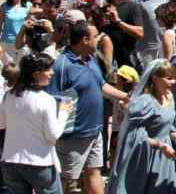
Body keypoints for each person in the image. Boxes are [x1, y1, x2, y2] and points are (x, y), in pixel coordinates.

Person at [49, 21, 130, 194]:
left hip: (95, 131)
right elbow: (52, 99)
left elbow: (101, 85)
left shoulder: (91, 59)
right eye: (95, 37)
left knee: (94, 172)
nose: (99, 40)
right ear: (85, 40)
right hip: (74, 136)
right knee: (68, 181)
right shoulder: (62, 65)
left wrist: (124, 96)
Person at [107, 59, 176, 194]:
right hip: (146, 158)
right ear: (155, 78)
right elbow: (133, 136)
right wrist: (160, 145)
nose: (173, 82)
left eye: (174, 78)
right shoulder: (145, 103)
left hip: (167, 157)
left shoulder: (169, 97)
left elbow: (166, 125)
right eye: (169, 78)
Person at [0, 53, 74, 194]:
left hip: (10, 161)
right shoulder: (46, 100)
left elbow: (2, 125)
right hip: (39, 163)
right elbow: (52, 136)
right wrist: (64, 114)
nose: (52, 73)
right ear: (36, 73)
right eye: (48, 69)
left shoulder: (9, 96)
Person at [1, 0, 30, 65]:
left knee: (21, 71)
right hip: (7, 43)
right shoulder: (4, 7)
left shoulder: (28, 6)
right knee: (9, 72)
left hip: (22, 44)